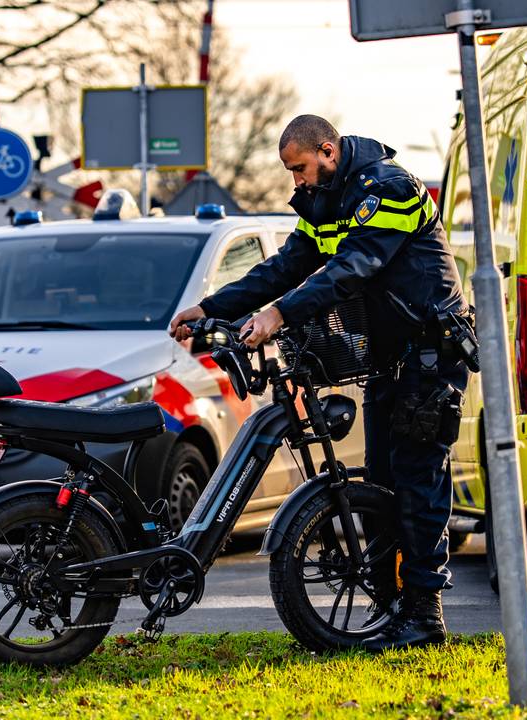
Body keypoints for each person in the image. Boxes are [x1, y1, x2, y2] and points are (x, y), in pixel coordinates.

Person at [170, 114, 471, 651]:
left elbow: (354, 266)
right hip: (388, 359)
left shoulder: (391, 188)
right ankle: (388, 612)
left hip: (429, 354)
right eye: (290, 172)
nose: (296, 182)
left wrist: (278, 316)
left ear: (328, 151)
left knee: (419, 483)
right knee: (383, 484)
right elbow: (286, 266)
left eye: (300, 168)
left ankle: (424, 618)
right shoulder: (324, 198)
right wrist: (210, 306)